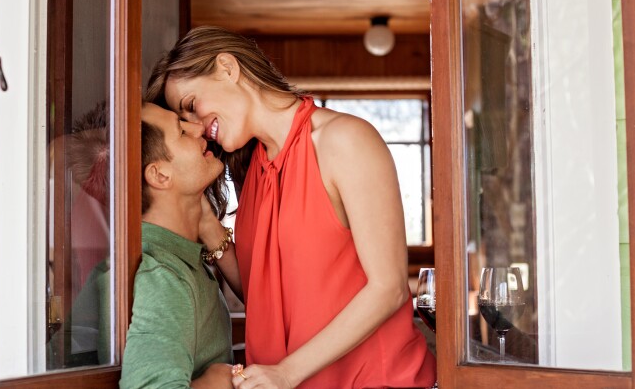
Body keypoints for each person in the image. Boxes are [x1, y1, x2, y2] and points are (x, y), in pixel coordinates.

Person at [145, 26, 437, 389]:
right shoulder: (252, 171)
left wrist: (286, 372)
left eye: (191, 105)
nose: (199, 128)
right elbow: (268, 298)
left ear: (227, 68)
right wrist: (210, 228)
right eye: (186, 121)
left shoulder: (344, 141)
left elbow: (389, 288)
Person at [119, 103, 236, 389]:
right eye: (181, 131)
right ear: (160, 175)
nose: (199, 129)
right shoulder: (162, 277)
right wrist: (219, 383)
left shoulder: (177, 261)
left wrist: (208, 226)